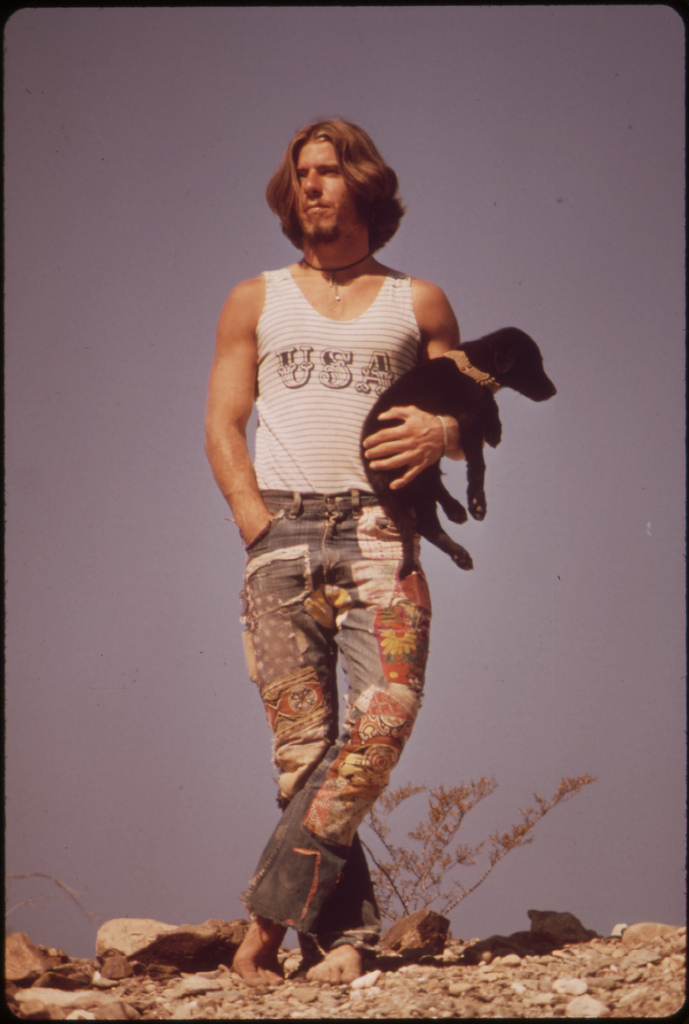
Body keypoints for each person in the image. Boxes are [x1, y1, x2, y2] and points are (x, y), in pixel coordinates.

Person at [204, 119, 464, 987]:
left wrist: (442, 431)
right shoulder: (254, 299)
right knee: (303, 756)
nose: (310, 185)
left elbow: (472, 414)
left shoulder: (418, 302)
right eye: (301, 174)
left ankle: (262, 928)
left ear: (364, 184)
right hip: (279, 535)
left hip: (381, 535)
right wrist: (255, 523)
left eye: (328, 171)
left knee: (381, 723)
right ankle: (341, 941)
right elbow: (222, 423)